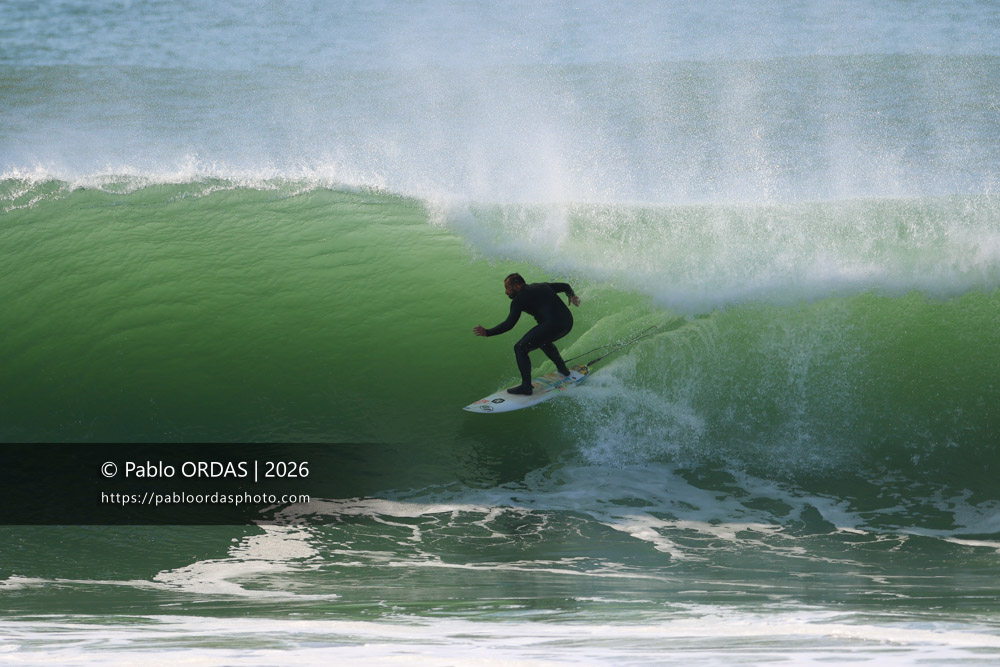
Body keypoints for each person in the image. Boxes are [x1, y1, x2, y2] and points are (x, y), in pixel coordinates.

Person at [473, 273, 581, 395]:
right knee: (543, 341)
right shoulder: (542, 285)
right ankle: (563, 370)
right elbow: (565, 286)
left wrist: (487, 332)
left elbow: (509, 324)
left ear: (518, 285)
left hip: (553, 325)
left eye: (508, 288)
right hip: (567, 322)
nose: (506, 292)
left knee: (520, 348)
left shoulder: (518, 300)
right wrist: (572, 296)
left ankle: (526, 387)